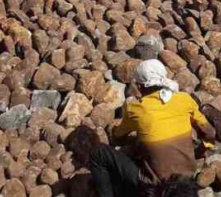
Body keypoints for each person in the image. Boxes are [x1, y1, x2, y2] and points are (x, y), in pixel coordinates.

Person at [90, 60, 214, 197]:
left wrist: (115, 131)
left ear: (141, 86)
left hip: (154, 189)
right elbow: (210, 132)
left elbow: (118, 137)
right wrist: (202, 148)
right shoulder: (184, 99)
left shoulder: (135, 109)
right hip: (187, 183)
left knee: (98, 153)